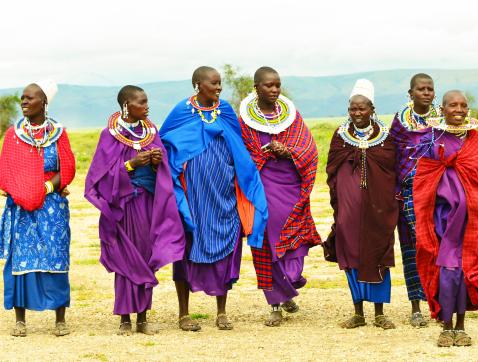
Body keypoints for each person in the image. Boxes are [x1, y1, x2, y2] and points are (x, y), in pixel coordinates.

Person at [160, 66, 268, 331]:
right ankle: (183, 314)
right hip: (192, 196)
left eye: (220, 84)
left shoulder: (227, 111)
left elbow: (238, 147)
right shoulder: (181, 111)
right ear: (198, 84)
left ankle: (221, 312)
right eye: (214, 83)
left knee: (227, 247)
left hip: (224, 192)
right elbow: (164, 144)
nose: (219, 88)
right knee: (186, 249)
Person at [85, 85, 186, 335]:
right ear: (126, 106)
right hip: (123, 206)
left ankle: (142, 318)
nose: (147, 106)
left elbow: (162, 169)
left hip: (147, 204)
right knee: (126, 260)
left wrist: (155, 163)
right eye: (142, 102)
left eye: (147, 101)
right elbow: (99, 177)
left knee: (143, 257)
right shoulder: (109, 135)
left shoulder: (151, 132)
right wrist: (130, 165)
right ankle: (124, 320)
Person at [413, 90, 478, 347]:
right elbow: (424, 178)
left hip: (470, 221)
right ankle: (445, 326)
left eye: (463, 105)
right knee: (446, 271)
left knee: (464, 270)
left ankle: (461, 326)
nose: (458, 109)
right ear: (442, 107)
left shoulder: (475, 140)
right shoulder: (429, 139)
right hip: (440, 220)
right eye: (452, 105)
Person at [238, 67, 320, 326]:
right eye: (268, 86)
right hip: (261, 186)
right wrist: (265, 153)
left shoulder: (292, 116)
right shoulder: (244, 120)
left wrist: (288, 151)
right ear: (256, 87)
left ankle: (287, 287)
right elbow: (241, 153)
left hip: (291, 186)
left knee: (293, 237)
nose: (274, 90)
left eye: (277, 85)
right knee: (265, 241)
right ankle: (274, 303)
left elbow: (308, 147)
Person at [0, 80, 76, 337]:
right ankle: (20, 320)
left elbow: (66, 168)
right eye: (22, 98)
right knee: (21, 258)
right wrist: (21, 190)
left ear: (43, 102)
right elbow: (7, 171)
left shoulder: (58, 133)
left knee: (56, 255)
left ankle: (60, 318)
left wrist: (44, 188)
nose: (23, 102)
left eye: (29, 98)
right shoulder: (13, 135)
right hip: (21, 207)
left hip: (52, 204)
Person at [325, 79, 397, 330]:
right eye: (352, 108)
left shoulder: (386, 136)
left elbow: (391, 170)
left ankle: (379, 313)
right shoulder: (340, 135)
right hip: (348, 208)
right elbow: (332, 167)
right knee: (350, 251)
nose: (357, 113)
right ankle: (358, 312)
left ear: (372, 109)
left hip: (378, 206)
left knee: (377, 249)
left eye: (362, 108)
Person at [389, 73, 438, 327]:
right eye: (421, 89)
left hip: (440, 193)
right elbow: (391, 155)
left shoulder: (443, 120)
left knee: (438, 247)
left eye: (430, 89)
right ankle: (416, 306)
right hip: (408, 192)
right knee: (413, 249)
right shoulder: (400, 122)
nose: (426, 93)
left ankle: (438, 302)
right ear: (411, 93)